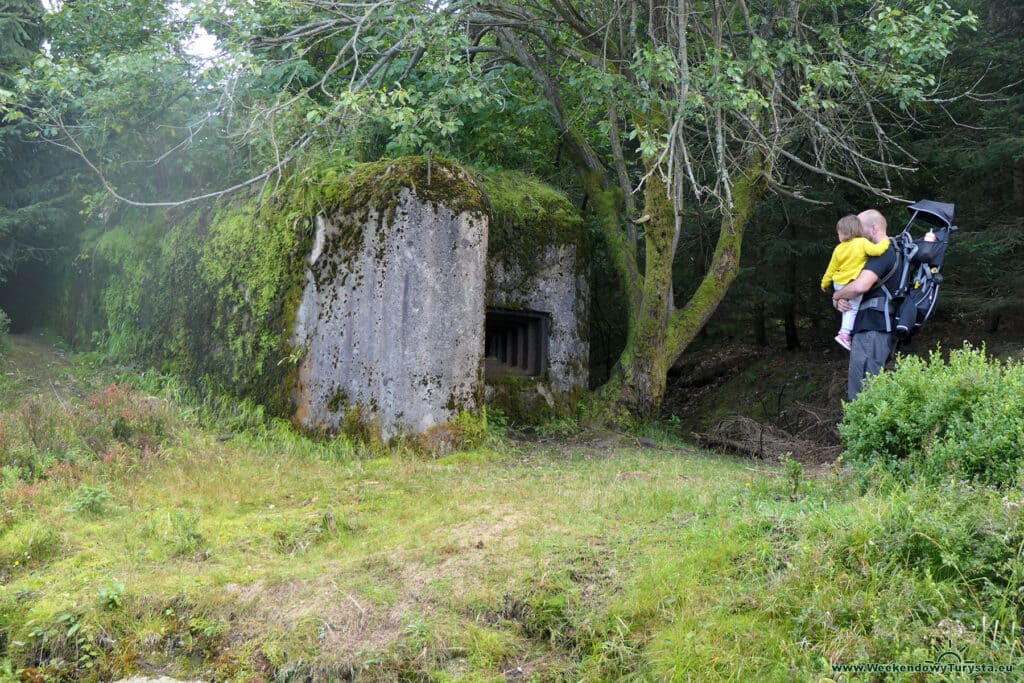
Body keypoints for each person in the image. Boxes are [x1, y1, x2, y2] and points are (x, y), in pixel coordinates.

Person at [832, 209, 900, 401]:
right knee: (868, 387)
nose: (855, 235)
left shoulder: (883, 252)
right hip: (876, 326)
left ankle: (861, 429)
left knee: (862, 390)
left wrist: (837, 295)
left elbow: (860, 286)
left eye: (859, 230)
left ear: (874, 228)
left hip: (873, 327)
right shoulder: (890, 251)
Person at [820, 214, 891, 350]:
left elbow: (831, 268)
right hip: (850, 281)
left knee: (847, 307)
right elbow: (877, 250)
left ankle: (845, 332)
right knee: (852, 309)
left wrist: (827, 285)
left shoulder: (838, 248)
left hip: (838, 282)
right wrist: (886, 242)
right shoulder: (862, 243)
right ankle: (845, 334)